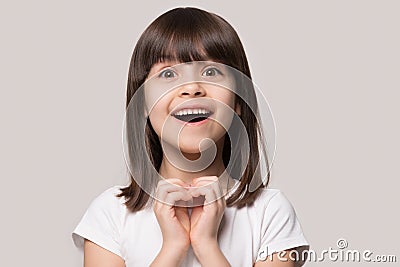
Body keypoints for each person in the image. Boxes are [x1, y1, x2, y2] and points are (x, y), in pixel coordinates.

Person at [72, 7, 309, 267]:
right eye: (168, 74)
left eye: (210, 72)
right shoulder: (110, 213)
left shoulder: (270, 212)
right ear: (142, 103)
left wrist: (207, 245)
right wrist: (172, 248)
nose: (191, 88)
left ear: (239, 100)